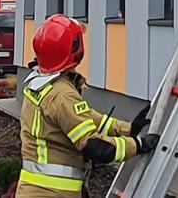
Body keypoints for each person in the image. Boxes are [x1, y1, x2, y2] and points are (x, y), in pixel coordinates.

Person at [17, 14, 158, 197]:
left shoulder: (39, 83)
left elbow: (84, 118)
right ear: (76, 49)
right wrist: (138, 145)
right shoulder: (63, 95)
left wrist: (127, 128)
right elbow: (95, 147)